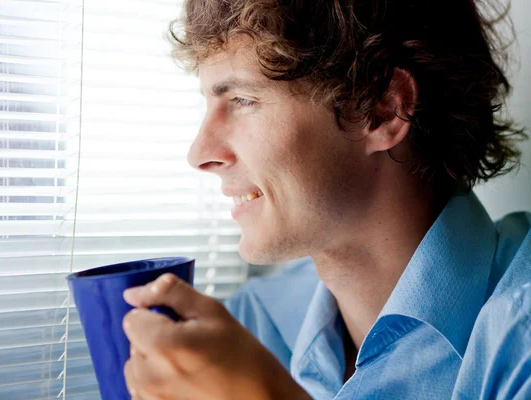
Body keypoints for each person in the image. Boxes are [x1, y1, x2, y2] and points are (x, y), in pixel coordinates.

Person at [120, 0, 530, 398]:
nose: (199, 153)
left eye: (243, 100)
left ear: (381, 110)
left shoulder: (519, 332)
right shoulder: (253, 325)